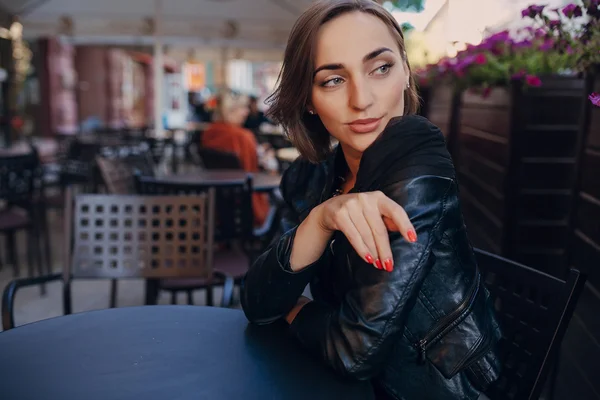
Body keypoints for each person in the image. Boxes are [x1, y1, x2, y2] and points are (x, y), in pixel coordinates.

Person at [240, 1, 502, 399]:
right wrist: (321, 220)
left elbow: (352, 352)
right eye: (333, 80)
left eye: (380, 68)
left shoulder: (418, 153)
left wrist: (294, 310)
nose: (362, 99)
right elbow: (258, 302)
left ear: (405, 73)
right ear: (308, 98)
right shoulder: (310, 176)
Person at [201, 92, 270, 227]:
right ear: (230, 111)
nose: (246, 112)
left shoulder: (208, 133)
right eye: (243, 108)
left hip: (219, 202)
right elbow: (251, 170)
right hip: (246, 202)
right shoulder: (243, 137)